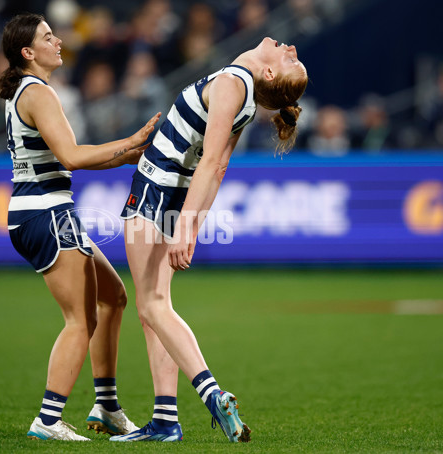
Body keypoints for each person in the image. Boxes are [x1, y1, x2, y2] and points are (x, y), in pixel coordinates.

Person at [111, 37, 308, 442]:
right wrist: (191, 223)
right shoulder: (245, 95)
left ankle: (211, 393)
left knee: (151, 305)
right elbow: (216, 169)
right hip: (176, 192)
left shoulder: (234, 81)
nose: (288, 46)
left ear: (268, 72)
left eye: (290, 57)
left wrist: (187, 227)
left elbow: (214, 160)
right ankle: (165, 419)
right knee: (156, 310)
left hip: (155, 188)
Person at [0, 13, 161, 442]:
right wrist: (128, 142)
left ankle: (106, 406)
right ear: (27, 53)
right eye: (48, 37)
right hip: (47, 213)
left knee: (114, 297)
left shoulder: (27, 91)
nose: (58, 41)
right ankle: (47, 420)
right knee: (80, 319)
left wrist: (119, 157)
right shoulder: (38, 92)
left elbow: (65, 157)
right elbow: (71, 156)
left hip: (42, 211)